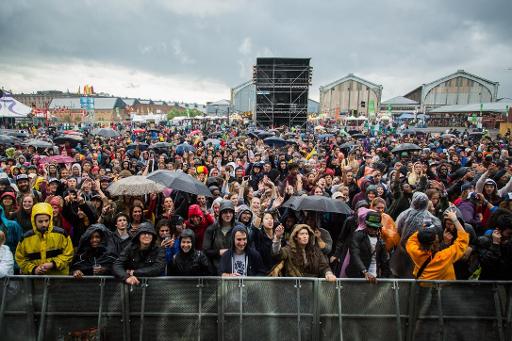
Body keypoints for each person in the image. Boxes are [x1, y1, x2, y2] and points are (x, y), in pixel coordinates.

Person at [406, 210, 469, 280]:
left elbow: (411, 240)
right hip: (444, 287)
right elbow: (462, 242)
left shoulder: (415, 252)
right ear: (435, 243)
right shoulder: (443, 257)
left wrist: (425, 230)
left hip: (424, 286)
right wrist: (455, 220)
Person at [15, 202, 74, 275]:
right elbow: (20, 259)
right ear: (34, 221)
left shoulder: (62, 234)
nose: (44, 224)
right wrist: (34, 269)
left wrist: (53, 264)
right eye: (40, 221)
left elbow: (68, 254)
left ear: (50, 219)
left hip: (58, 279)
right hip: (35, 281)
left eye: (46, 221)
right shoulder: (25, 238)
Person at [272, 224, 336, 281]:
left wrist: (328, 273)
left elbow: (324, 266)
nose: (305, 236)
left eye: (306, 234)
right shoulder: (289, 250)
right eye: (302, 234)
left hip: (312, 286)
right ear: (296, 237)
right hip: (293, 286)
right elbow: (277, 253)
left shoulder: (316, 251)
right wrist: (277, 238)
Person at [346, 211, 391, 282]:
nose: (372, 230)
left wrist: (384, 277)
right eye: (370, 227)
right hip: (357, 276)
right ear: (366, 225)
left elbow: (384, 261)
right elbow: (354, 254)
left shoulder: (380, 241)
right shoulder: (357, 235)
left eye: (375, 228)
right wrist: (365, 271)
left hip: (375, 277)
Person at [203, 200, 242, 273]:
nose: (228, 215)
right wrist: (218, 252)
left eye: (230, 212)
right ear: (220, 213)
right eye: (225, 212)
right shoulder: (212, 229)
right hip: (216, 268)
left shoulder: (239, 227)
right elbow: (205, 251)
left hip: (235, 267)